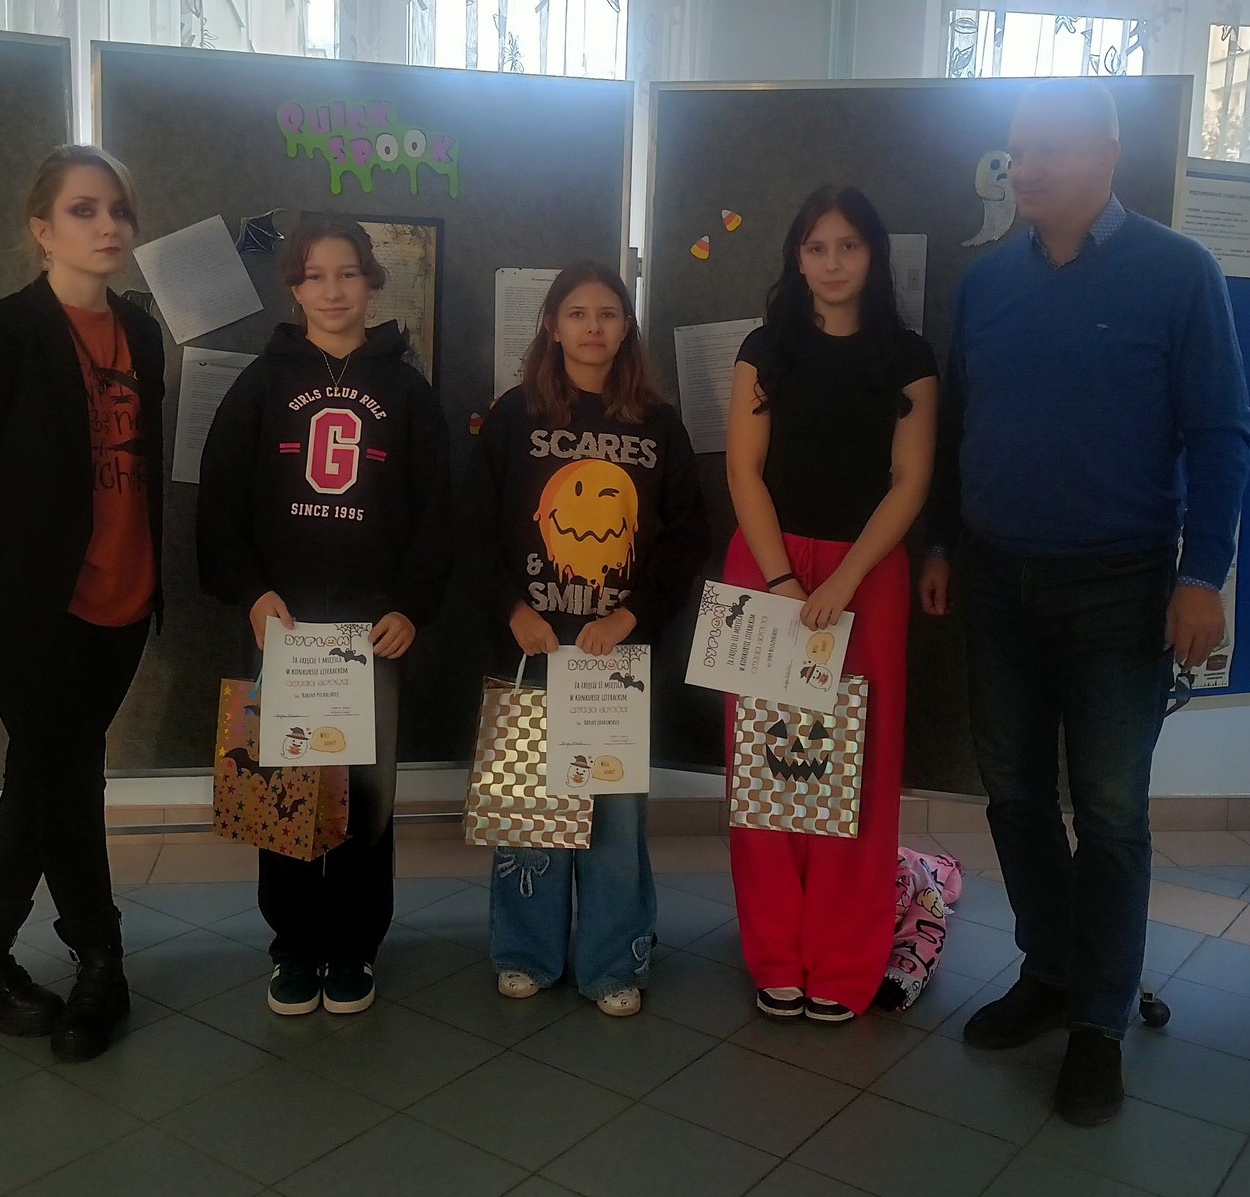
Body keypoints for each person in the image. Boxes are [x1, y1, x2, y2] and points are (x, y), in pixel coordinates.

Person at [921, 80, 1250, 1124]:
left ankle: (1099, 1021)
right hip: (995, 578)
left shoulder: (1178, 272)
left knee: (1108, 813)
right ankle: (1052, 972)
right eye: (1016, 149)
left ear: (1107, 153)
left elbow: (1220, 434)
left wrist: (1202, 576)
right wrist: (942, 542)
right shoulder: (986, 283)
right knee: (1014, 796)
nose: (1025, 167)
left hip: (1119, 584)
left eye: (1049, 149)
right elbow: (958, 424)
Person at [0, 144, 164, 1063]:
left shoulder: (140, 332)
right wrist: (21, 563)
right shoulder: (0, 331)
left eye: (118, 210)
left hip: (124, 599)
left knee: (45, 771)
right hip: (25, 610)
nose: (107, 226)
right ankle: (101, 961)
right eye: (83, 210)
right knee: (68, 776)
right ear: (41, 228)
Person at [196, 216, 452, 1017]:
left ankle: (354, 943)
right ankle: (295, 943)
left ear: (372, 282)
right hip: (285, 625)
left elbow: (436, 511)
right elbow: (219, 499)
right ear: (294, 288)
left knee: (364, 793)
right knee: (284, 785)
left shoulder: (407, 390)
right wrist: (251, 591)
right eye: (314, 275)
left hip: (371, 629)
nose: (332, 290)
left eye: (347, 273)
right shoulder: (260, 383)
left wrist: (411, 604)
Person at [463, 261, 709, 1017]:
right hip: (532, 646)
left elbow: (685, 539)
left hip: (617, 657)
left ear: (626, 327)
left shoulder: (658, 424)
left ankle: (612, 959)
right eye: (577, 313)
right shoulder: (514, 416)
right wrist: (513, 610)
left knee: (614, 814)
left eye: (607, 313)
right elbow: (472, 528)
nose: (593, 327)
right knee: (531, 809)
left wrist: (629, 617)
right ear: (551, 325)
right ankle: (525, 951)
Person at [724, 187, 938, 1024]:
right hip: (768, 566)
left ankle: (844, 959)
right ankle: (776, 953)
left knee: (859, 769)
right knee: (765, 769)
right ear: (797, 258)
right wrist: (783, 582)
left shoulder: (907, 356)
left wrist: (844, 582)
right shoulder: (764, 348)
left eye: (848, 245)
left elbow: (910, 480)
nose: (833, 262)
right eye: (816, 247)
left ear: (873, 254)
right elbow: (743, 471)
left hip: (867, 573)